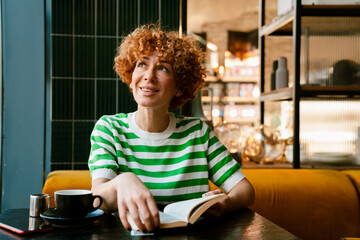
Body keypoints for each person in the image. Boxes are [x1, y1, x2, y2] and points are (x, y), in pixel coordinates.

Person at [88, 24, 255, 233]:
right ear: (130, 77)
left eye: (163, 68)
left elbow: (245, 190)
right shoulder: (109, 128)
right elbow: (98, 200)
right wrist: (122, 181)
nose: (149, 75)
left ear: (179, 87)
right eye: (142, 64)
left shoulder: (198, 132)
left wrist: (225, 203)